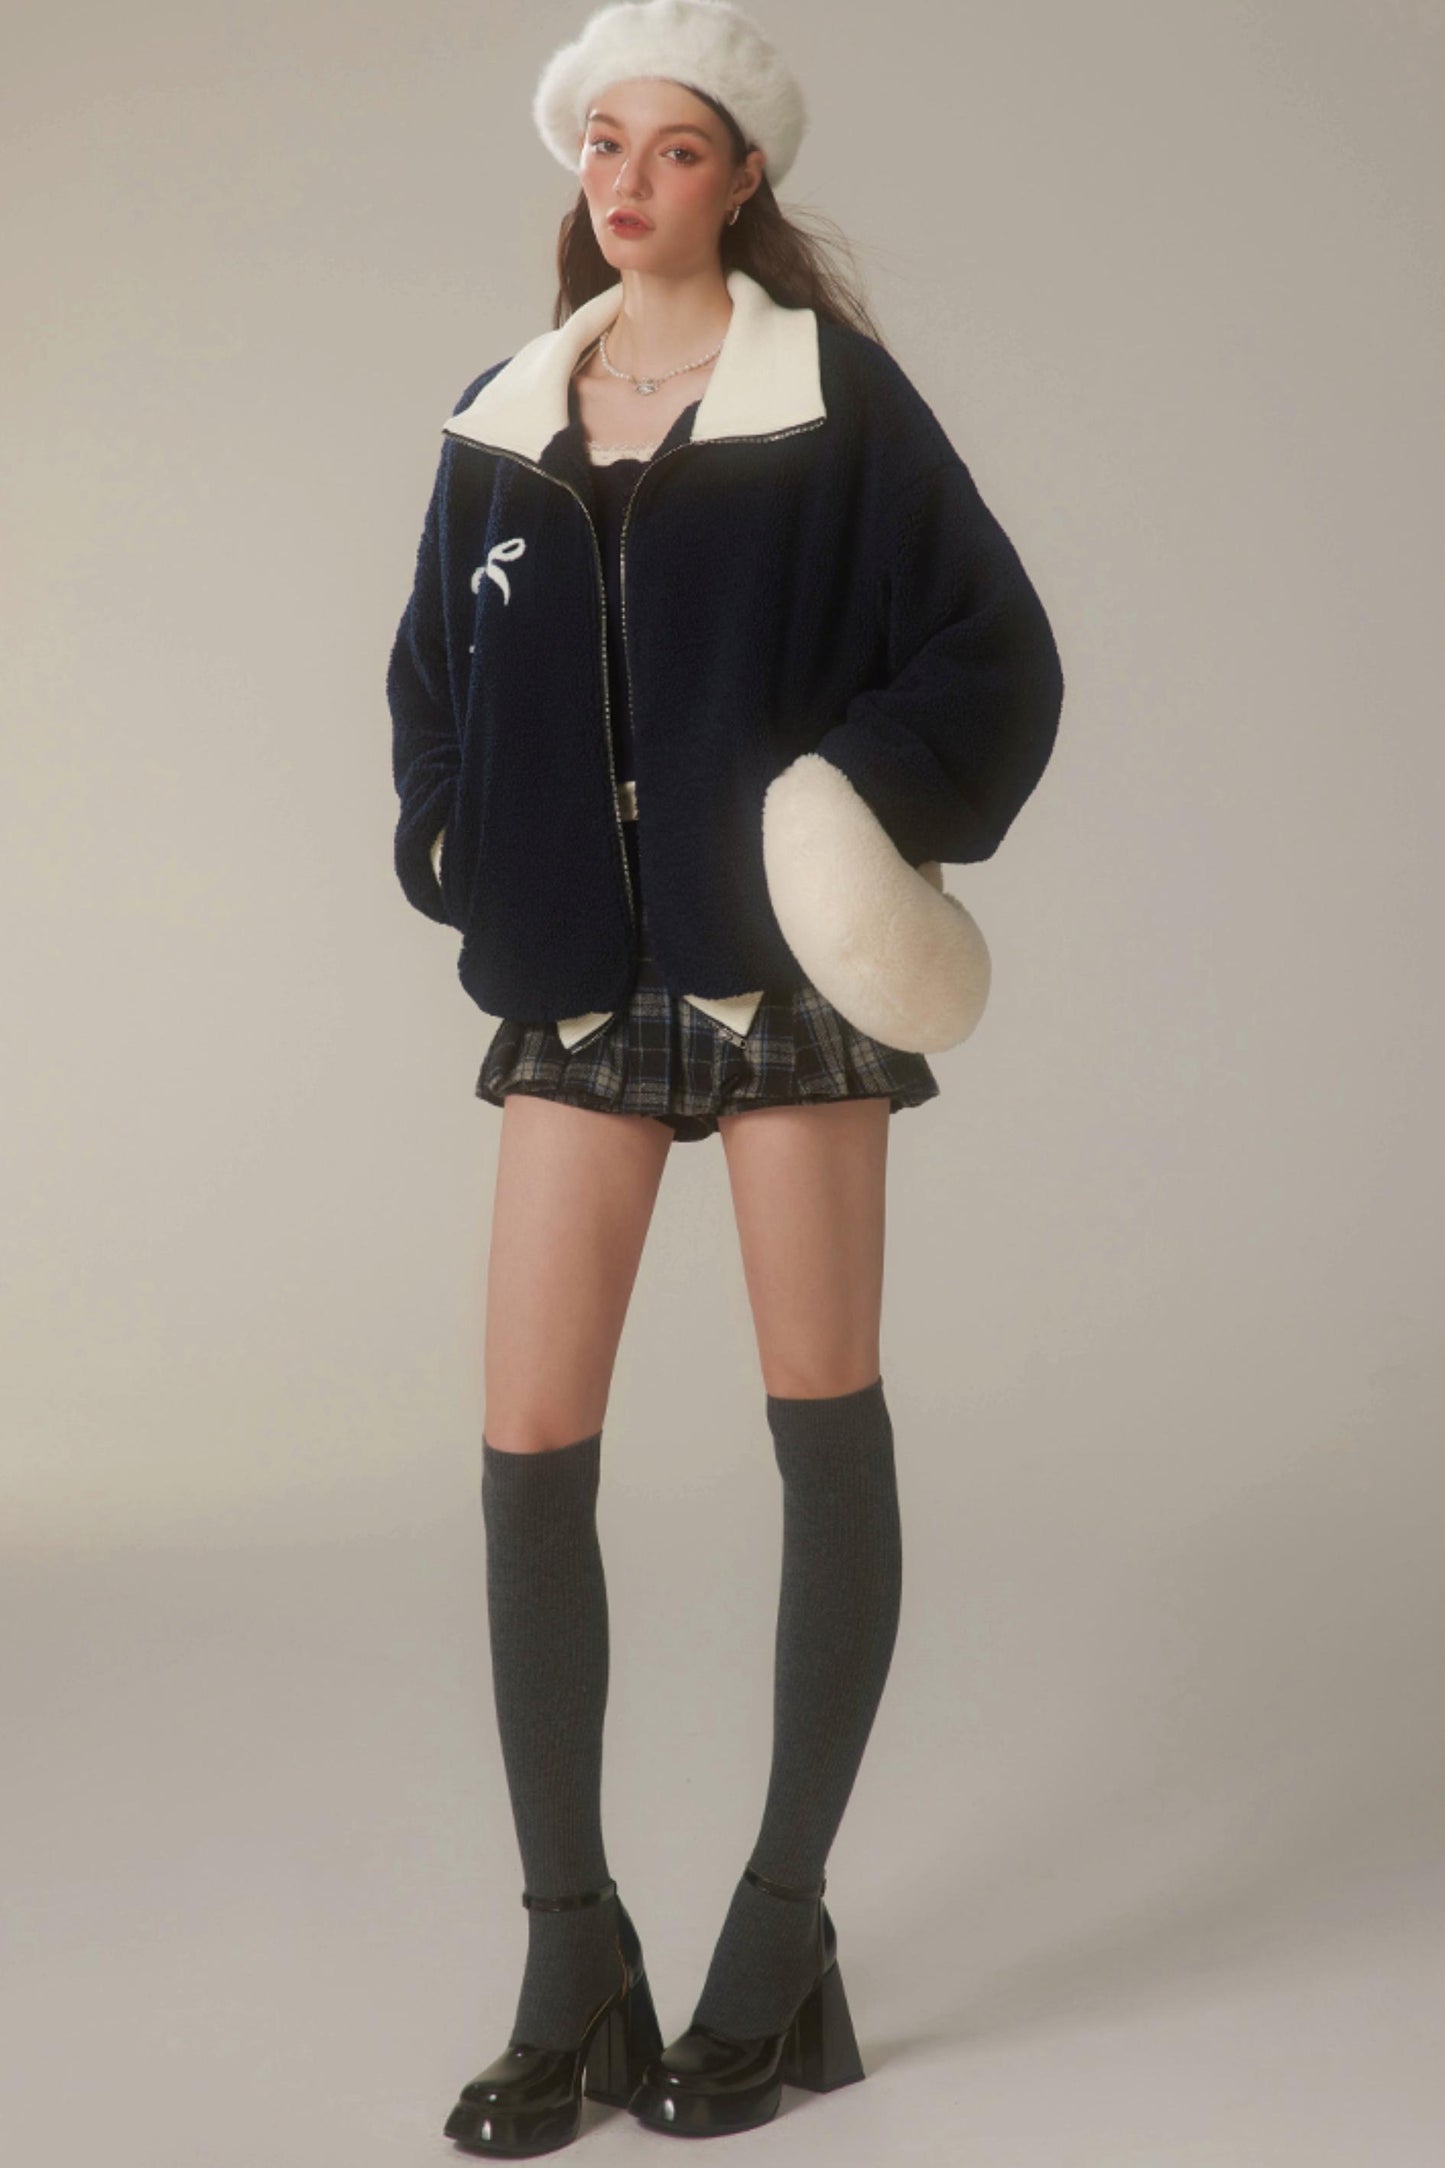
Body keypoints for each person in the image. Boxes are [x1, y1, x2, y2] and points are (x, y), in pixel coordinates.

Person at [386, 0, 1065, 2149]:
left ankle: (779, 1934)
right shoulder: (503, 417)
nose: (627, 180)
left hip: (782, 981)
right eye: (603, 143)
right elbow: (428, 678)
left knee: (817, 1423)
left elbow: (994, 651)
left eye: (672, 148)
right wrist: (454, 839)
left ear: (741, 176)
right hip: (579, 985)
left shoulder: (830, 398)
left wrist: (839, 820)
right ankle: (571, 1956)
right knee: (527, 1453)